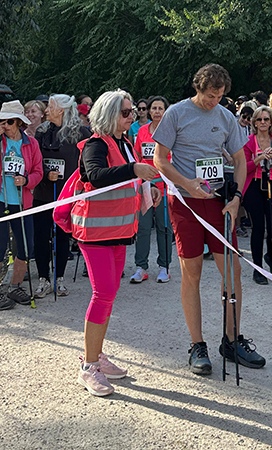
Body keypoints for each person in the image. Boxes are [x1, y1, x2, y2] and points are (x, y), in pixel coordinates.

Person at [152, 63, 266, 375]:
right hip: (185, 204)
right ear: (198, 88)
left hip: (218, 203)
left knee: (233, 272)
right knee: (192, 272)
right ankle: (197, 344)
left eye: (219, 96)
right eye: (209, 96)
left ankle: (232, 340)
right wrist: (187, 183)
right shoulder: (176, 113)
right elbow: (160, 159)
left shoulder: (225, 117)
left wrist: (237, 197)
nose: (214, 101)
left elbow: (240, 160)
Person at [60, 90, 161, 396]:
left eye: (132, 111)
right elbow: (95, 175)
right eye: (126, 112)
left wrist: (148, 189)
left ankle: (96, 355)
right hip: (96, 232)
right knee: (103, 294)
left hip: (117, 230)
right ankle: (89, 365)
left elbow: (129, 181)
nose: (133, 116)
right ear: (110, 115)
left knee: (108, 295)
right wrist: (134, 169)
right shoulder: (96, 144)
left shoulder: (124, 143)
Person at [0, 100, 43, 310]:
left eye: (9, 121)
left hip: (21, 202)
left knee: (25, 246)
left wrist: (27, 180)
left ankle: (15, 286)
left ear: (19, 123)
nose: (4, 125)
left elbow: (38, 172)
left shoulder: (31, 144)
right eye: (1, 121)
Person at [32, 94, 88, 298]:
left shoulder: (81, 133)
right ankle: (43, 278)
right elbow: (35, 159)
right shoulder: (42, 131)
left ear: (61, 110)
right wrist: (46, 173)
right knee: (41, 236)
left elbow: (87, 160)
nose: (46, 110)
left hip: (67, 194)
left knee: (62, 236)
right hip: (43, 191)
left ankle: (60, 277)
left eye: (50, 107)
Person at [131, 95, 173, 283]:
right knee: (143, 227)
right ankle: (141, 267)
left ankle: (164, 266)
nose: (157, 111)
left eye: (160, 108)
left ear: (165, 111)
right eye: (154, 108)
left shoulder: (171, 131)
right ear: (149, 111)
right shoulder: (141, 131)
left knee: (164, 227)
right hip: (146, 185)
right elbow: (137, 156)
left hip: (165, 185)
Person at [242, 105, 272, 284]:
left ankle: (271, 255)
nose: (262, 122)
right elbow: (244, 168)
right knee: (258, 227)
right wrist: (259, 158)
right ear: (254, 122)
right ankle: (257, 267)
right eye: (259, 119)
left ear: (271, 122)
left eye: (266, 119)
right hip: (254, 184)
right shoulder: (248, 141)